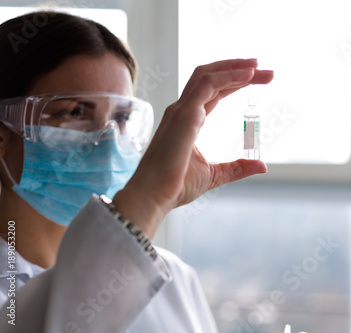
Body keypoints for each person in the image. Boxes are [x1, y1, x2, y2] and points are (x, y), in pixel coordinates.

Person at [0, 10, 273, 332]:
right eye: (75, 112)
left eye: (123, 118)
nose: (108, 140)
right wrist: (148, 201)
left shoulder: (171, 279)